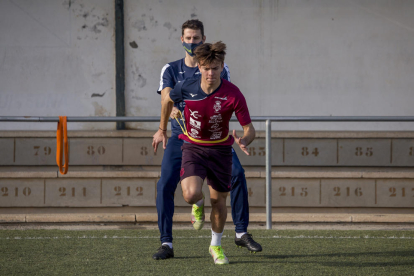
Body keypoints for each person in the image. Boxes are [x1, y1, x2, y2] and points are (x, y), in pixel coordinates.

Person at [152, 19, 262, 261]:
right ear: (182, 40)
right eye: (188, 38)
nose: (192, 42)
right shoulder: (173, 72)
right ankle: (167, 242)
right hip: (184, 138)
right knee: (170, 185)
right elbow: (167, 99)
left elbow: (239, 116)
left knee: (237, 177)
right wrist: (162, 127)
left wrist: (244, 139)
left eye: (197, 38)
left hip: (219, 142)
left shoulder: (227, 82)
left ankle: (238, 234)